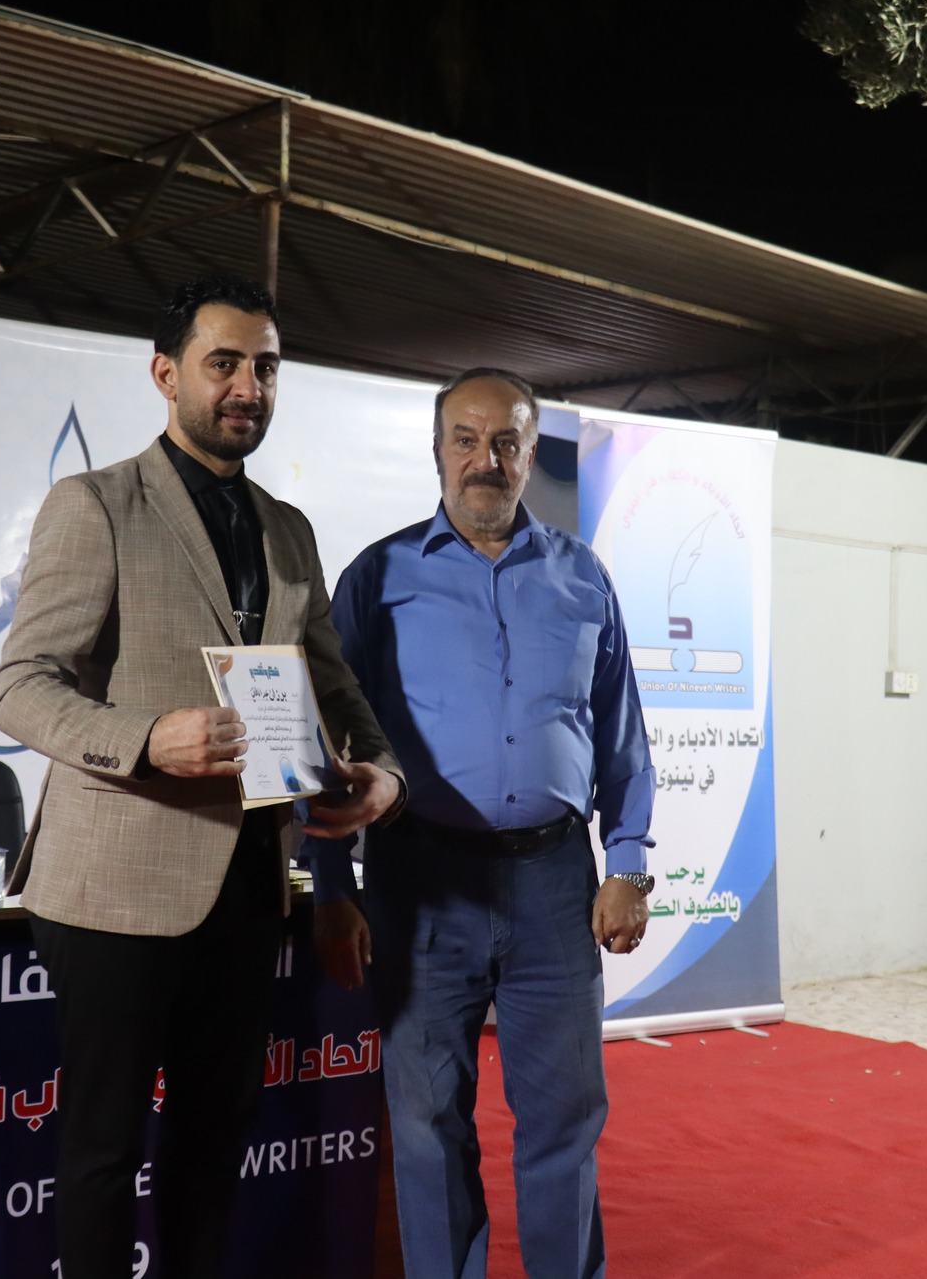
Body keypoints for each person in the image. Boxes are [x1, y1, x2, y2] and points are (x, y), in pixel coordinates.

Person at [0, 274, 404, 1276]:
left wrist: (381, 773)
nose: (248, 387)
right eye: (224, 363)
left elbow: (331, 684)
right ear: (165, 374)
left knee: (214, 1142)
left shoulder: (288, 528)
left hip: (248, 885)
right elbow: (19, 687)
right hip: (114, 888)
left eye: (266, 366)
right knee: (103, 1148)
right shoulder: (96, 504)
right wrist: (147, 739)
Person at [305, 367, 654, 1279]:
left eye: (506, 442)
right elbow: (328, 741)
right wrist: (334, 888)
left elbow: (621, 732)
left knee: (564, 1123)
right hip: (422, 884)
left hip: (555, 886)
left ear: (532, 454)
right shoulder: (378, 577)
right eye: (465, 439)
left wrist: (627, 862)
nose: (485, 460)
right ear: (437, 451)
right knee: (427, 1125)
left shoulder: (583, 576)